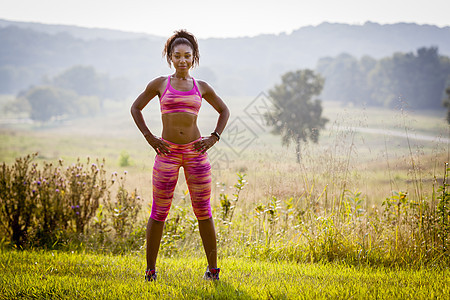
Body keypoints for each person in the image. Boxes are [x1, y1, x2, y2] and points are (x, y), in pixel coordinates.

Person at [130, 29, 230, 282]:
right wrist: (149, 137)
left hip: (196, 153)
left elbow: (224, 110)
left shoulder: (202, 87)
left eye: (187, 56)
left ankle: (213, 271)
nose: (182, 60)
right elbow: (136, 107)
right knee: (159, 212)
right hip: (167, 153)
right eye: (177, 56)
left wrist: (214, 137)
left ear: (194, 57)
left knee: (203, 211)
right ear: (170, 57)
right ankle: (150, 271)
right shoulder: (160, 84)